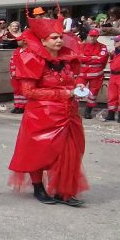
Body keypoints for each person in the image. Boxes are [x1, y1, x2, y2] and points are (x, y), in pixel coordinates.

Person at [8, 15, 88, 207]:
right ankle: (38, 187)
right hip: (41, 116)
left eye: (60, 36)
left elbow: (74, 79)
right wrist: (65, 93)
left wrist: (79, 87)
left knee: (68, 153)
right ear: (43, 40)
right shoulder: (31, 59)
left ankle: (62, 190)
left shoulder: (67, 59)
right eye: (54, 37)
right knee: (38, 153)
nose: (59, 40)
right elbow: (28, 91)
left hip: (68, 114)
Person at [77, 29, 109, 119]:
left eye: (94, 36)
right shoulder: (82, 46)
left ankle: (88, 112)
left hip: (96, 75)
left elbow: (101, 59)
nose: (92, 38)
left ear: (97, 37)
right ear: (88, 35)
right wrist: (93, 57)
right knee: (77, 92)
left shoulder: (102, 47)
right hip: (83, 74)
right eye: (91, 36)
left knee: (93, 94)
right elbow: (79, 58)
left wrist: (86, 58)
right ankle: (74, 110)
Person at [8, 37, 28, 114]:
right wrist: (13, 71)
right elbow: (12, 61)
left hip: (23, 75)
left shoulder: (29, 51)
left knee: (23, 91)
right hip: (15, 75)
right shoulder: (17, 51)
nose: (17, 42)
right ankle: (18, 105)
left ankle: (23, 106)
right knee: (17, 90)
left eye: (19, 40)